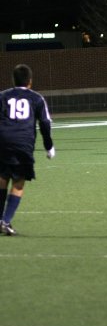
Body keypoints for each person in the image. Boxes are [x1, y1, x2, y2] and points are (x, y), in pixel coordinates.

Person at [0, 64, 55, 236]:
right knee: (18, 182)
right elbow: (45, 123)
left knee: (2, 178)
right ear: (30, 81)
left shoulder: (3, 96)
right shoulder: (36, 98)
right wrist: (49, 146)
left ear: (13, 80)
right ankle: (5, 221)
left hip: (3, 141)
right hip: (23, 144)